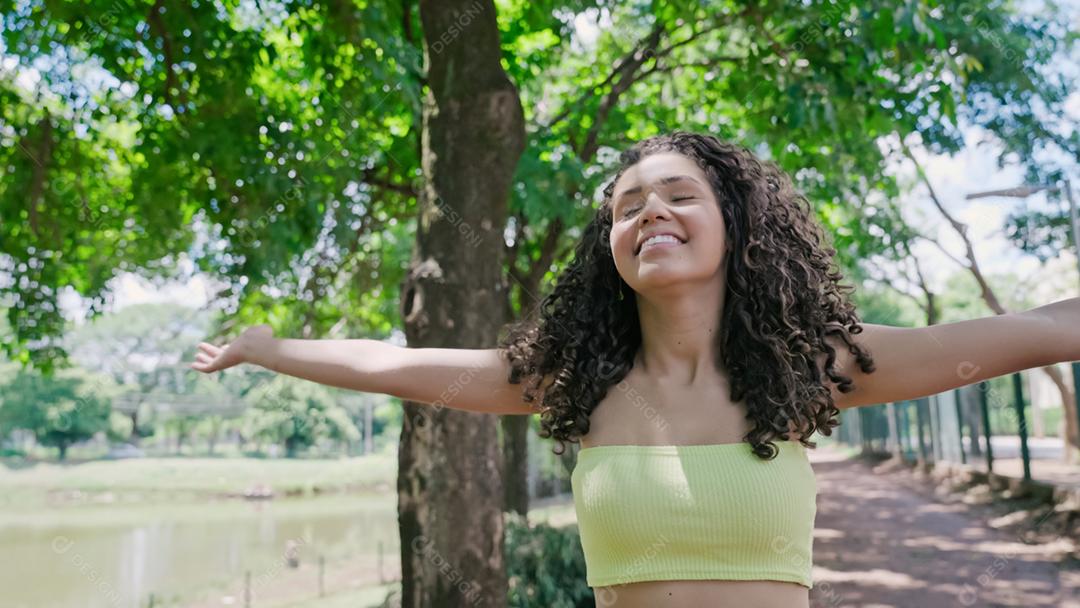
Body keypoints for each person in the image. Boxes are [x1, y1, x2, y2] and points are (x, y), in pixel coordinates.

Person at [191, 131, 1080, 607]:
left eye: (678, 194)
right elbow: (395, 361)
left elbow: (1034, 329)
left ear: (736, 225)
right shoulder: (572, 381)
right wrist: (270, 350)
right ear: (611, 245)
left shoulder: (821, 364)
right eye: (628, 206)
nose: (650, 211)